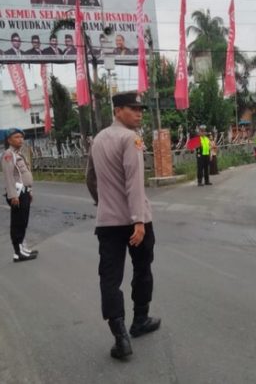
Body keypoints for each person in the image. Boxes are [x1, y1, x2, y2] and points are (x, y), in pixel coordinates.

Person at [86, 92, 160, 360]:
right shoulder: (132, 139)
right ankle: (139, 320)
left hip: (107, 223)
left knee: (109, 278)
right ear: (117, 110)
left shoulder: (98, 139)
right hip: (135, 221)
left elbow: (90, 178)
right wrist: (138, 220)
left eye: (141, 109)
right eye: (133, 108)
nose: (139, 113)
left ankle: (120, 337)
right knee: (142, 269)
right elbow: (134, 182)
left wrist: (102, 203)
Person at [1, 129, 38, 262]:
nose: (20, 139)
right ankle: (18, 253)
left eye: (21, 137)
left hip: (24, 192)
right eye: (16, 137)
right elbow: (9, 176)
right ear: (9, 140)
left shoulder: (18, 154)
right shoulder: (9, 155)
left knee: (23, 222)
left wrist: (29, 191)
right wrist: (13, 196)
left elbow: (22, 175)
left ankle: (23, 249)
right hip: (17, 194)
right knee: (17, 223)